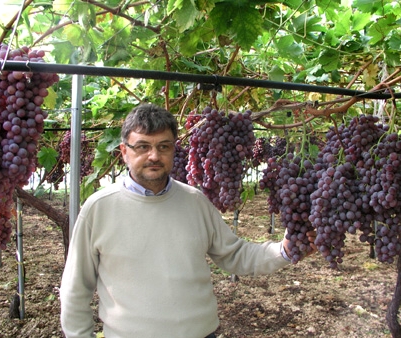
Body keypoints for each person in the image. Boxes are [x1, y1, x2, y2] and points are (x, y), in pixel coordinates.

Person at [60, 103, 316, 338]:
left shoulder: (196, 201)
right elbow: (75, 289)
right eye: (142, 146)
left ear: (174, 149)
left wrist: (283, 251)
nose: (154, 155)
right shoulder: (98, 208)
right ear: (124, 152)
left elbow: (235, 255)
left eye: (163, 146)